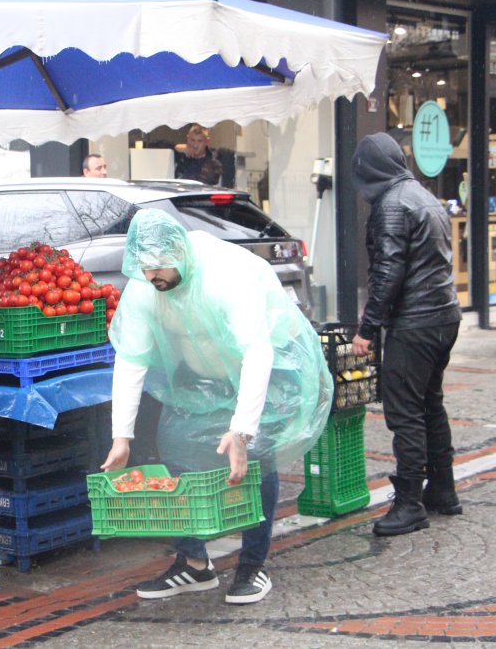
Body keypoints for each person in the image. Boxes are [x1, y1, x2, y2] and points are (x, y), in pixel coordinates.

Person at [101, 209, 332, 604]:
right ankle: (194, 564)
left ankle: (252, 565)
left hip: (263, 364)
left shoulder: (227, 277)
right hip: (201, 375)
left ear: (179, 254)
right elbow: (131, 360)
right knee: (173, 445)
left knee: (257, 458)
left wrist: (241, 430)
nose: (150, 275)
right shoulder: (145, 288)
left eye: (158, 267)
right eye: (142, 267)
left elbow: (256, 353)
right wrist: (121, 437)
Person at [350, 132, 463, 537]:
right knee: (430, 404)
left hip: (414, 323)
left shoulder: (392, 206)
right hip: (444, 316)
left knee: (405, 413)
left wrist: (367, 329)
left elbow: (388, 272)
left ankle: (410, 503)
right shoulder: (425, 197)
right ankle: (443, 491)